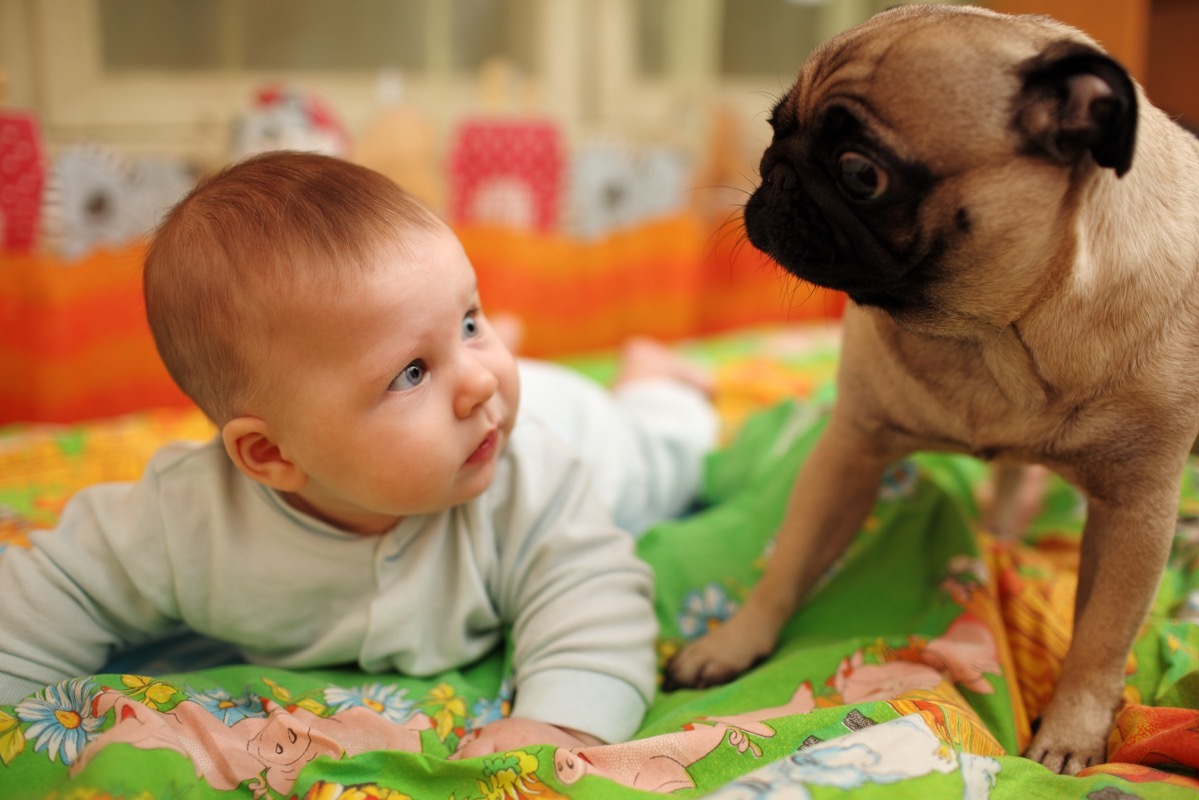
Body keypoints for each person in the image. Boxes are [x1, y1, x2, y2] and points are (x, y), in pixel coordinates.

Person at [0, 152, 718, 756]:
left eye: (472, 318)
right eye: (410, 372)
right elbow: (52, 593)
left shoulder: (534, 476)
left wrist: (559, 722)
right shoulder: (185, 521)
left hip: (584, 428)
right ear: (270, 454)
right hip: (495, 431)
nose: (477, 380)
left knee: (673, 448)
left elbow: (593, 593)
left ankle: (653, 381)